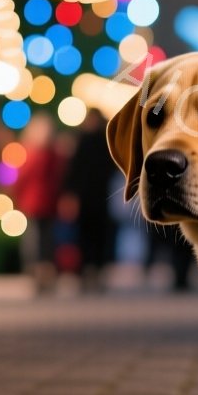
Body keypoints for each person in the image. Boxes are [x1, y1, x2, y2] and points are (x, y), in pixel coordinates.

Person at [12, 115, 66, 292]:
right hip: (50, 202)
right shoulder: (56, 155)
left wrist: (16, 193)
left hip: (33, 202)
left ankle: (36, 271)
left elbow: (22, 177)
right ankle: (47, 271)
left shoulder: (32, 153)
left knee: (34, 239)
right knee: (48, 238)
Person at [64, 112, 117, 293]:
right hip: (89, 197)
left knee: (96, 235)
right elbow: (74, 170)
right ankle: (88, 269)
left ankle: (95, 269)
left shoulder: (100, 141)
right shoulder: (94, 141)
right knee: (87, 235)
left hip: (98, 196)